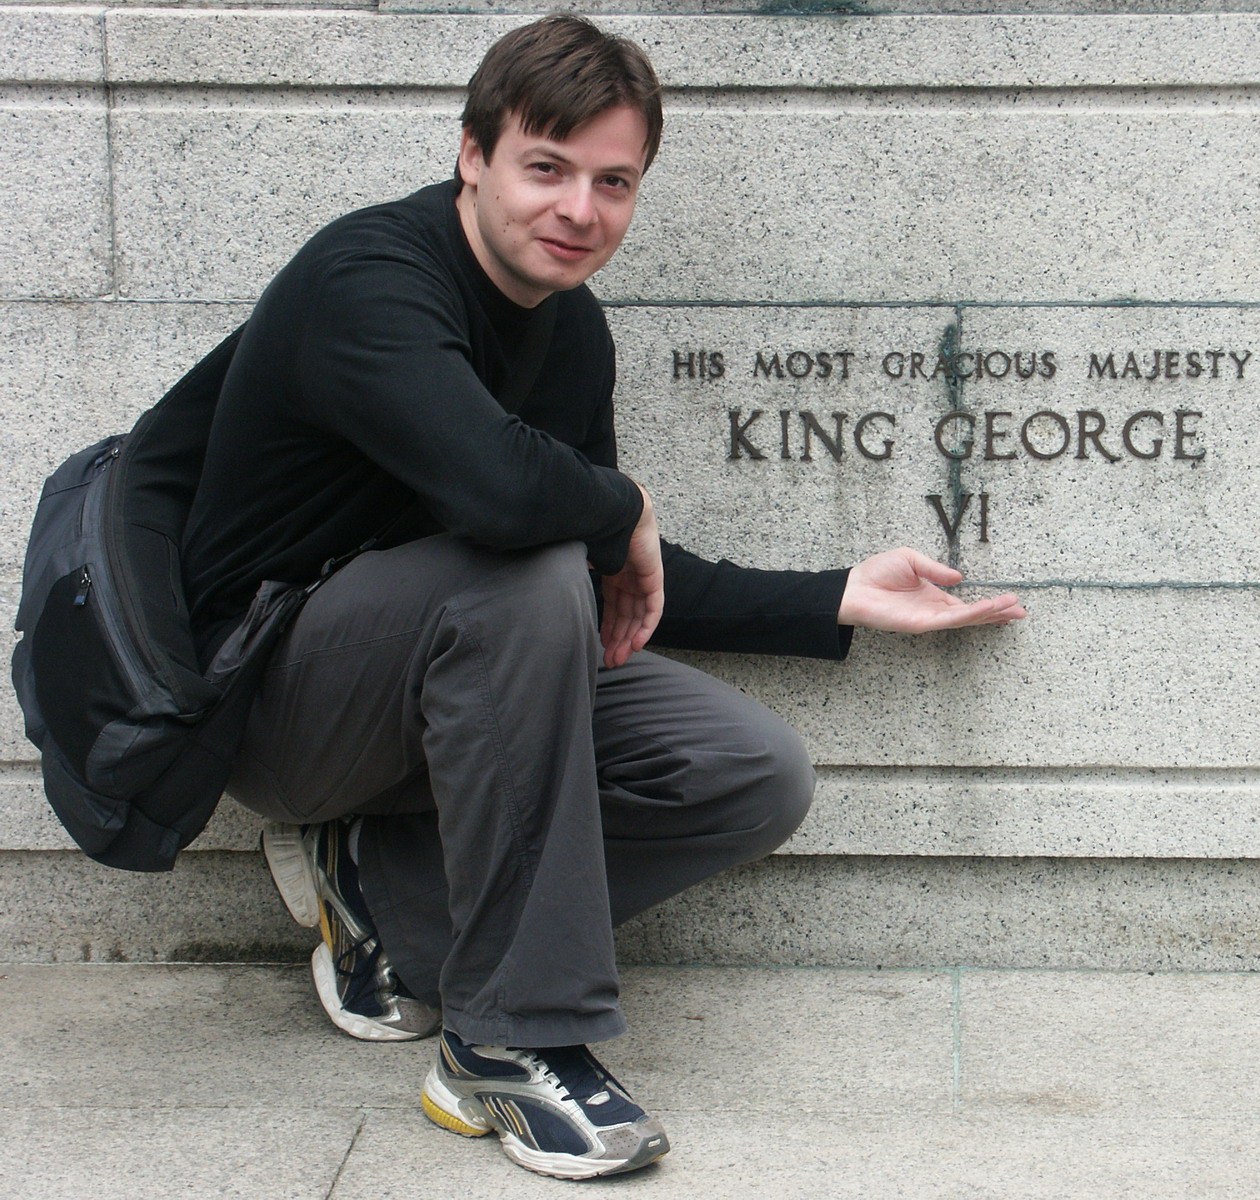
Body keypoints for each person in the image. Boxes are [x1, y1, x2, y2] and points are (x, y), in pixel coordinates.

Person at [180, 14, 1025, 1181]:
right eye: (547, 168)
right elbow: (513, 501)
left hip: (455, 685)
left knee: (747, 771)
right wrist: (620, 504)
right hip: (276, 703)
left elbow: (600, 569)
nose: (579, 209)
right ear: (472, 154)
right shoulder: (366, 280)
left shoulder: (569, 331)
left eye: (613, 182)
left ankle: (380, 890)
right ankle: (506, 1039)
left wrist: (829, 594)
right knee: (523, 571)